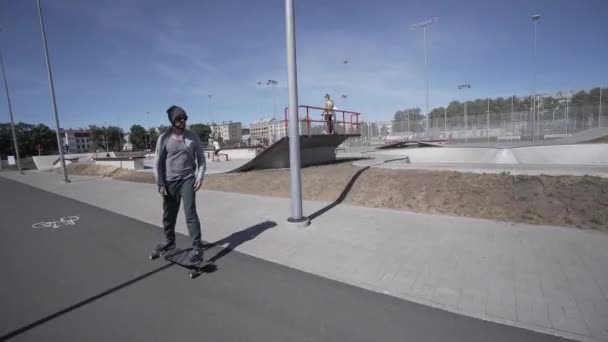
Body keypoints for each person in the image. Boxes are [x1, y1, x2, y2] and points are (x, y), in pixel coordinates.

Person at [153, 105, 207, 264]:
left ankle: (197, 248)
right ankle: (169, 241)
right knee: (168, 215)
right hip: (169, 182)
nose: (182, 121)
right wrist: (160, 182)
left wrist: (200, 176)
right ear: (172, 121)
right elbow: (157, 162)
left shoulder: (192, 137)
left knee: (190, 213)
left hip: (187, 179)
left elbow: (201, 159)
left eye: (184, 118)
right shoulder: (163, 138)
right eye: (179, 118)